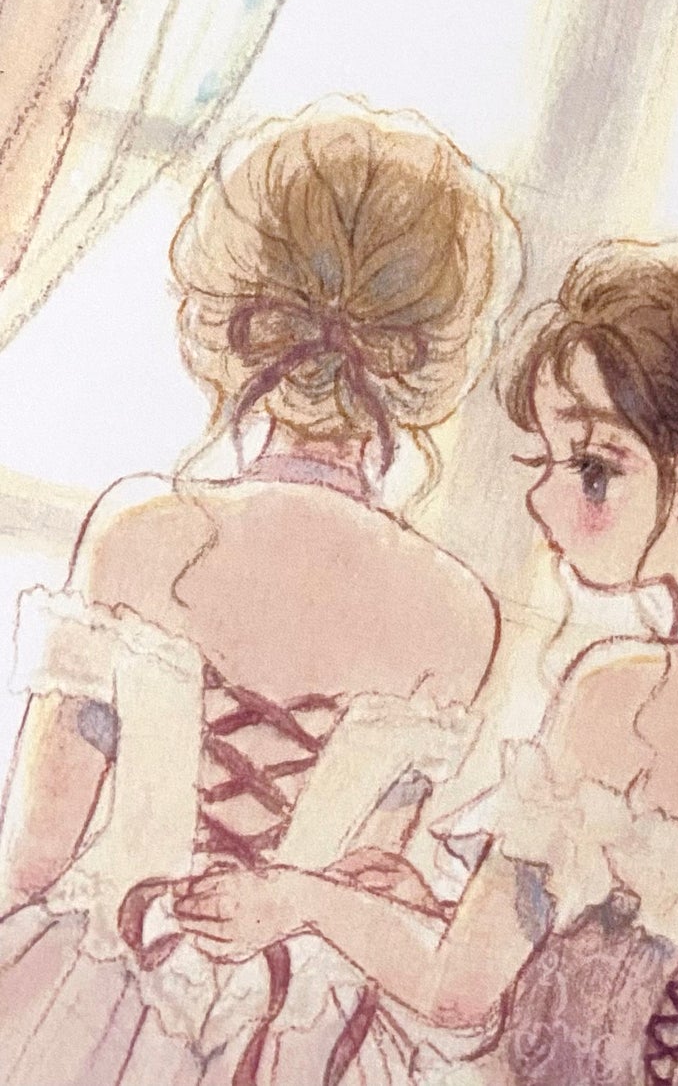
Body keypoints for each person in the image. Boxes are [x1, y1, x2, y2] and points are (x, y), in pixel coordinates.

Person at [177, 239, 678, 1085]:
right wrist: (418, 907)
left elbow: (457, 994)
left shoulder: (624, 691)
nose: (541, 496)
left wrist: (298, 897)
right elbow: (641, 982)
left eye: (592, 468)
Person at [0, 101, 521, 1085]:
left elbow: (31, 852)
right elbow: (364, 879)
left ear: (228, 315)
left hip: (86, 997)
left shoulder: (142, 532)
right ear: (431, 355)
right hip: (300, 1031)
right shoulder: (458, 612)